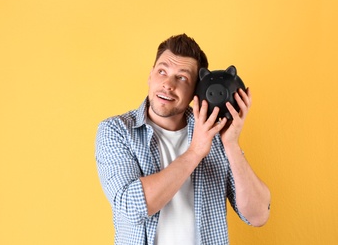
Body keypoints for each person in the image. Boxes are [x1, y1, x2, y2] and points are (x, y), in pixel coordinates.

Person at [95, 34, 271, 245]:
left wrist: (231, 144)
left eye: (182, 78)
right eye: (162, 72)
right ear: (150, 76)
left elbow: (258, 215)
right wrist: (195, 152)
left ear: (195, 92)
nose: (168, 84)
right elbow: (130, 208)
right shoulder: (117, 130)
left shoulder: (217, 136)